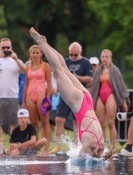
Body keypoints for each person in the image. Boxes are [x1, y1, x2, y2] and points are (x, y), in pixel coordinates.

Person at [29, 27, 114, 160]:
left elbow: (102, 156)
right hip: (78, 104)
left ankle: (46, 44)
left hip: (87, 99)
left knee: (64, 69)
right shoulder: (91, 145)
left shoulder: (101, 144)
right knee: (58, 71)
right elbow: (77, 161)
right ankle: (42, 43)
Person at [50, 42, 93, 154]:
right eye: (71, 55)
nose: (73, 57)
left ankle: (76, 146)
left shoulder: (86, 62)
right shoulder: (65, 61)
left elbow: (90, 79)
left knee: (76, 121)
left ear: (80, 53)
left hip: (78, 96)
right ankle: (58, 146)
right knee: (59, 119)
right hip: (65, 95)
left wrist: (77, 77)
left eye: (75, 55)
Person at [91, 49, 130, 149]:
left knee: (111, 122)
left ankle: (113, 146)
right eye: (103, 57)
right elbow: (94, 87)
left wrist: (124, 101)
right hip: (100, 97)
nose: (104, 59)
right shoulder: (98, 71)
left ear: (110, 58)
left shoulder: (115, 70)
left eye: (106, 57)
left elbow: (121, 86)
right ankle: (102, 146)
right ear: (100, 58)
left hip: (111, 96)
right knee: (101, 123)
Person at [22, 45, 52, 153]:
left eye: (37, 53)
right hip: (30, 95)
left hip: (41, 95)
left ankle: (46, 148)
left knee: (45, 122)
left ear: (41, 54)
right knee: (34, 123)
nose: (35, 55)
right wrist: (23, 101)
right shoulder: (27, 68)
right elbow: (26, 85)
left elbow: (49, 84)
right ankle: (35, 148)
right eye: (33, 53)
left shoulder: (45, 66)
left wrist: (48, 98)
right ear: (30, 54)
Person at [0, 38, 26, 137]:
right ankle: (0, 149)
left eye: (8, 47)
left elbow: (25, 70)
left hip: (12, 96)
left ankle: (13, 149)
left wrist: (15, 59)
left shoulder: (15, 60)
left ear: (11, 48)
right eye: (3, 47)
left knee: (13, 124)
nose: (6, 49)